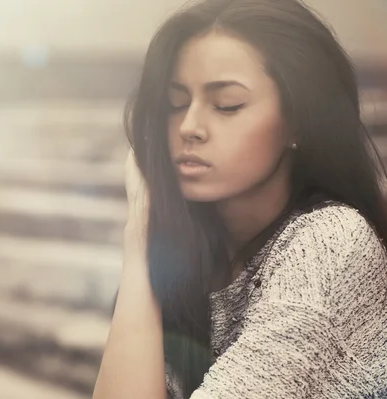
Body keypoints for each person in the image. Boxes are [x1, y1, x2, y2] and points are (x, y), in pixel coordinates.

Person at [92, 0, 387, 398]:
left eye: (227, 105)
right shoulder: (194, 258)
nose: (190, 126)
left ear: (298, 120)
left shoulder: (331, 243)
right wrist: (139, 231)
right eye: (176, 103)